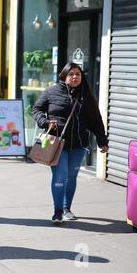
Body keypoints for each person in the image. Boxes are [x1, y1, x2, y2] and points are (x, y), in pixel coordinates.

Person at [33, 62, 109, 224]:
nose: (75, 77)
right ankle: (58, 211)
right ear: (64, 76)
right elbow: (37, 109)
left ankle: (67, 208)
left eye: (78, 74)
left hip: (79, 145)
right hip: (57, 143)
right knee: (60, 176)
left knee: (72, 177)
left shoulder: (86, 96)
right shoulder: (52, 92)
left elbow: (96, 120)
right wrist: (45, 122)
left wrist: (102, 141)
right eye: (71, 74)